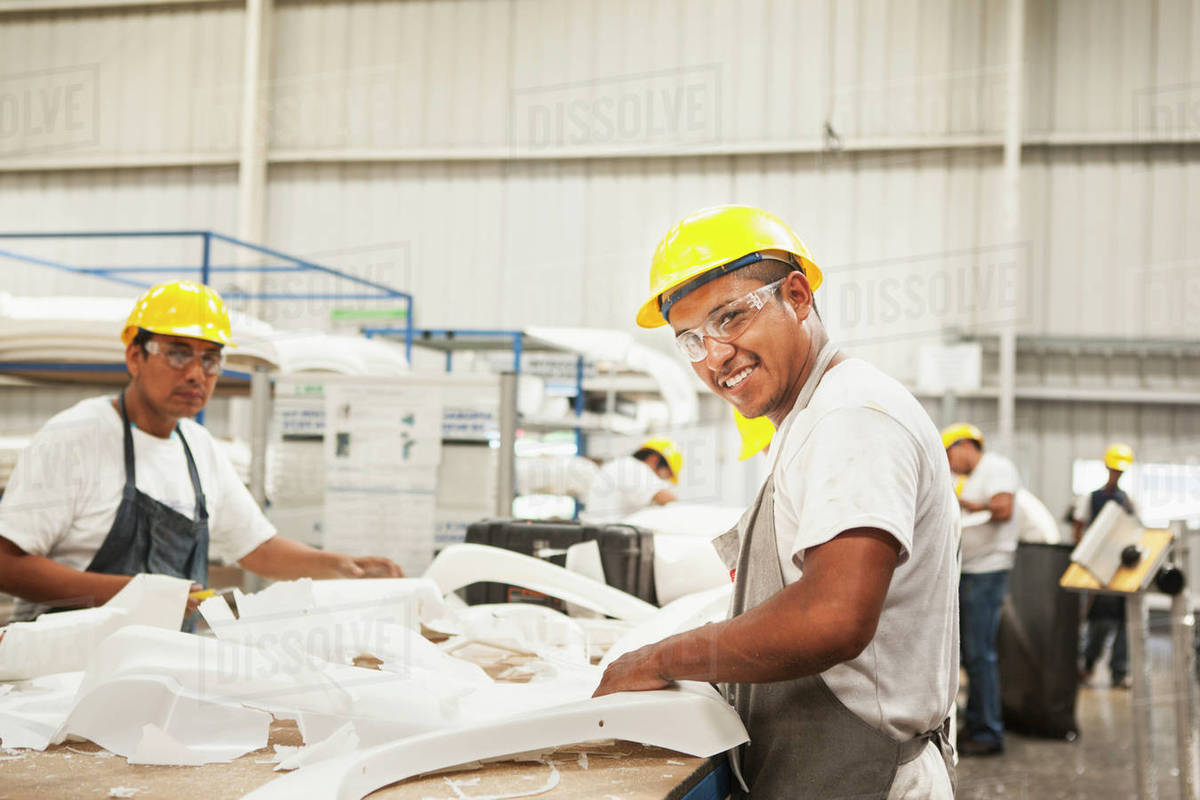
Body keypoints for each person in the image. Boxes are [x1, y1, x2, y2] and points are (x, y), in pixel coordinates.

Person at [594, 205, 959, 799]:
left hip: (864, 778)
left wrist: (663, 659)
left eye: (731, 317)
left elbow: (832, 617)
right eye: (691, 338)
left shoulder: (851, 417)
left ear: (796, 296)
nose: (714, 356)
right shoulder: (811, 418)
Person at [0, 280, 402, 623]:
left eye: (210, 359)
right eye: (177, 353)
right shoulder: (75, 438)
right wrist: (136, 594)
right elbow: (6, 564)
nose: (196, 373)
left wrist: (341, 566)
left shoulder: (197, 447)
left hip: (159, 669)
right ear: (134, 356)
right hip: (58, 678)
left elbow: (258, 548)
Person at [942, 422, 1020, 757]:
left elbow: (1002, 509)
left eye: (950, 457)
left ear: (963, 445)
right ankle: (976, 723)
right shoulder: (970, 478)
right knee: (969, 654)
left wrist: (963, 501)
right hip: (969, 570)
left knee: (979, 654)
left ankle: (988, 732)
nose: (951, 466)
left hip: (987, 571)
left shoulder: (996, 468)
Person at [1074, 443, 1138, 688]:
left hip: (1120, 568)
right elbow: (1079, 530)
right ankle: (1088, 664)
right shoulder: (1091, 498)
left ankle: (1119, 672)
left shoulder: (1127, 501)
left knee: (1122, 620)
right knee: (1098, 618)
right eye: (1114, 470)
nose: (1116, 474)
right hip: (1096, 568)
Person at [581, 438, 680, 522]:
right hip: (609, 539)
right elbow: (670, 500)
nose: (663, 479)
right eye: (665, 475)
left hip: (600, 535)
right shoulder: (636, 468)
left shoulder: (619, 465)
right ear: (654, 459)